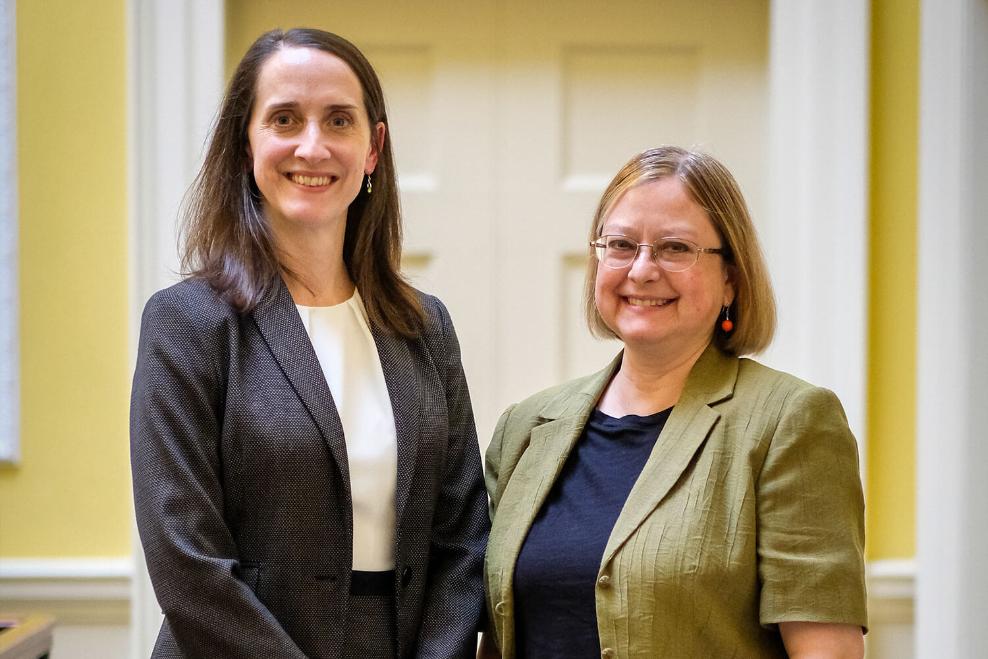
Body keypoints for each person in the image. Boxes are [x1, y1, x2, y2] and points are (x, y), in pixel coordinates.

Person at [130, 28, 489, 659]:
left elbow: (462, 538)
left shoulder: (425, 328)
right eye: (285, 119)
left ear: (373, 149)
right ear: (245, 143)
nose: (312, 146)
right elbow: (186, 562)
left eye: (339, 120)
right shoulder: (188, 323)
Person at [482, 146, 867, 658]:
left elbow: (826, 652)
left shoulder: (789, 422)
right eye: (621, 245)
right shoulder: (527, 427)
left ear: (731, 278)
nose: (642, 270)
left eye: (675, 248)